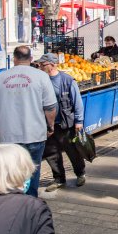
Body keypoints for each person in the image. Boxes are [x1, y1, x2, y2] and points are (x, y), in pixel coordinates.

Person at [0, 46, 57, 198]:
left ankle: (12, 204)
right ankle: (30, 205)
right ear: (31, 59)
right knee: (32, 173)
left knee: (11, 174)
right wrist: (50, 126)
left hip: (9, 136)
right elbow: (50, 107)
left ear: (14, 59)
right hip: (35, 134)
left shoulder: (0, 78)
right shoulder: (41, 76)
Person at [35, 53, 87, 192]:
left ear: (52, 65)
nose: (39, 66)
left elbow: (77, 102)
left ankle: (80, 173)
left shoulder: (67, 80)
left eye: (42, 64)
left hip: (65, 123)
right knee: (51, 152)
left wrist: (79, 121)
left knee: (72, 150)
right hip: (47, 124)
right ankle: (59, 178)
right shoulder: (40, 80)